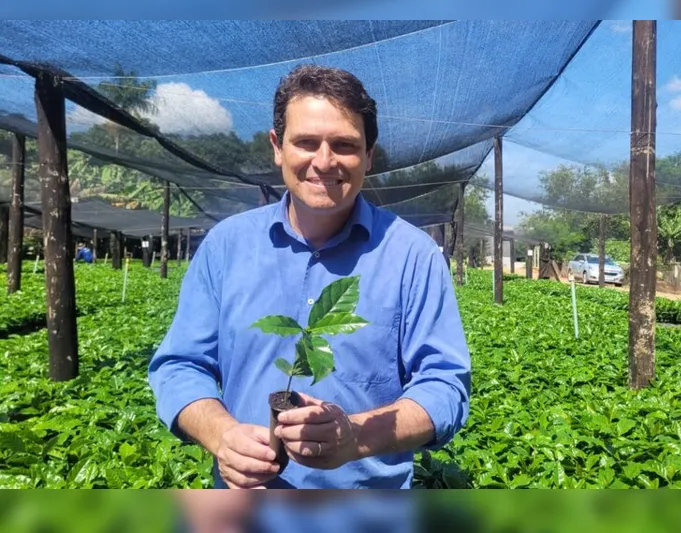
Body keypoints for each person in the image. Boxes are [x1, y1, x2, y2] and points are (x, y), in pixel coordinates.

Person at [148, 64, 471, 490]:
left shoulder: (414, 256)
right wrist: (221, 434)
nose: (324, 161)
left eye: (344, 145)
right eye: (306, 142)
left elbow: (445, 385)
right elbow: (180, 365)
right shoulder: (226, 246)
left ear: (369, 156)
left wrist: (355, 436)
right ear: (277, 147)